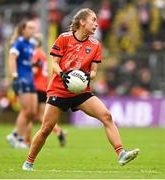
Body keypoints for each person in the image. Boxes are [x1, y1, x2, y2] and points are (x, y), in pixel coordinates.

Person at [22, 8, 139, 170]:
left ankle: (121, 153)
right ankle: (29, 161)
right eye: (93, 20)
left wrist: (86, 76)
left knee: (106, 116)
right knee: (46, 128)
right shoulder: (64, 38)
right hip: (59, 89)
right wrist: (63, 75)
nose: (97, 24)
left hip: (80, 91)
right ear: (82, 22)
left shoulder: (96, 45)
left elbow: (93, 72)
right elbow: (54, 63)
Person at [24, 33, 67, 147]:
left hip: (36, 87)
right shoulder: (43, 54)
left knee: (29, 115)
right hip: (44, 88)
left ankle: (26, 141)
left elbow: (34, 71)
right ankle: (59, 131)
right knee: (41, 116)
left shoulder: (36, 54)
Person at [6, 20, 38, 148]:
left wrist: (34, 66)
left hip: (30, 79)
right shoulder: (18, 42)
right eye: (30, 28)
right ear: (23, 29)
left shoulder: (31, 44)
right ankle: (18, 139)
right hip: (21, 79)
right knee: (26, 110)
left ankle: (14, 134)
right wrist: (14, 74)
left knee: (32, 111)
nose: (33, 30)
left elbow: (26, 62)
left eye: (34, 28)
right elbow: (12, 58)